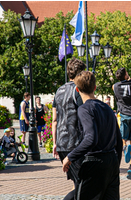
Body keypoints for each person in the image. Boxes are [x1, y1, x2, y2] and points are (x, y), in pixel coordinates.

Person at [62, 71, 122, 200]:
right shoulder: (107, 108)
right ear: (94, 88)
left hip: (95, 162)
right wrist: (115, 166)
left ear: (77, 90)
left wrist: (70, 157)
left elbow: (91, 138)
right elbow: (119, 140)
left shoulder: (84, 109)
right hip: (111, 160)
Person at [52, 58, 85, 193]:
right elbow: (84, 116)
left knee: (76, 182)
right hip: (76, 143)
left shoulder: (59, 90)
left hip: (62, 143)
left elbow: (54, 120)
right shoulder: (79, 90)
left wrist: (55, 143)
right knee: (82, 183)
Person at [112, 46, 131, 180]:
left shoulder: (115, 87)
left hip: (124, 115)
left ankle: (124, 147)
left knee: (123, 139)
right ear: (125, 75)